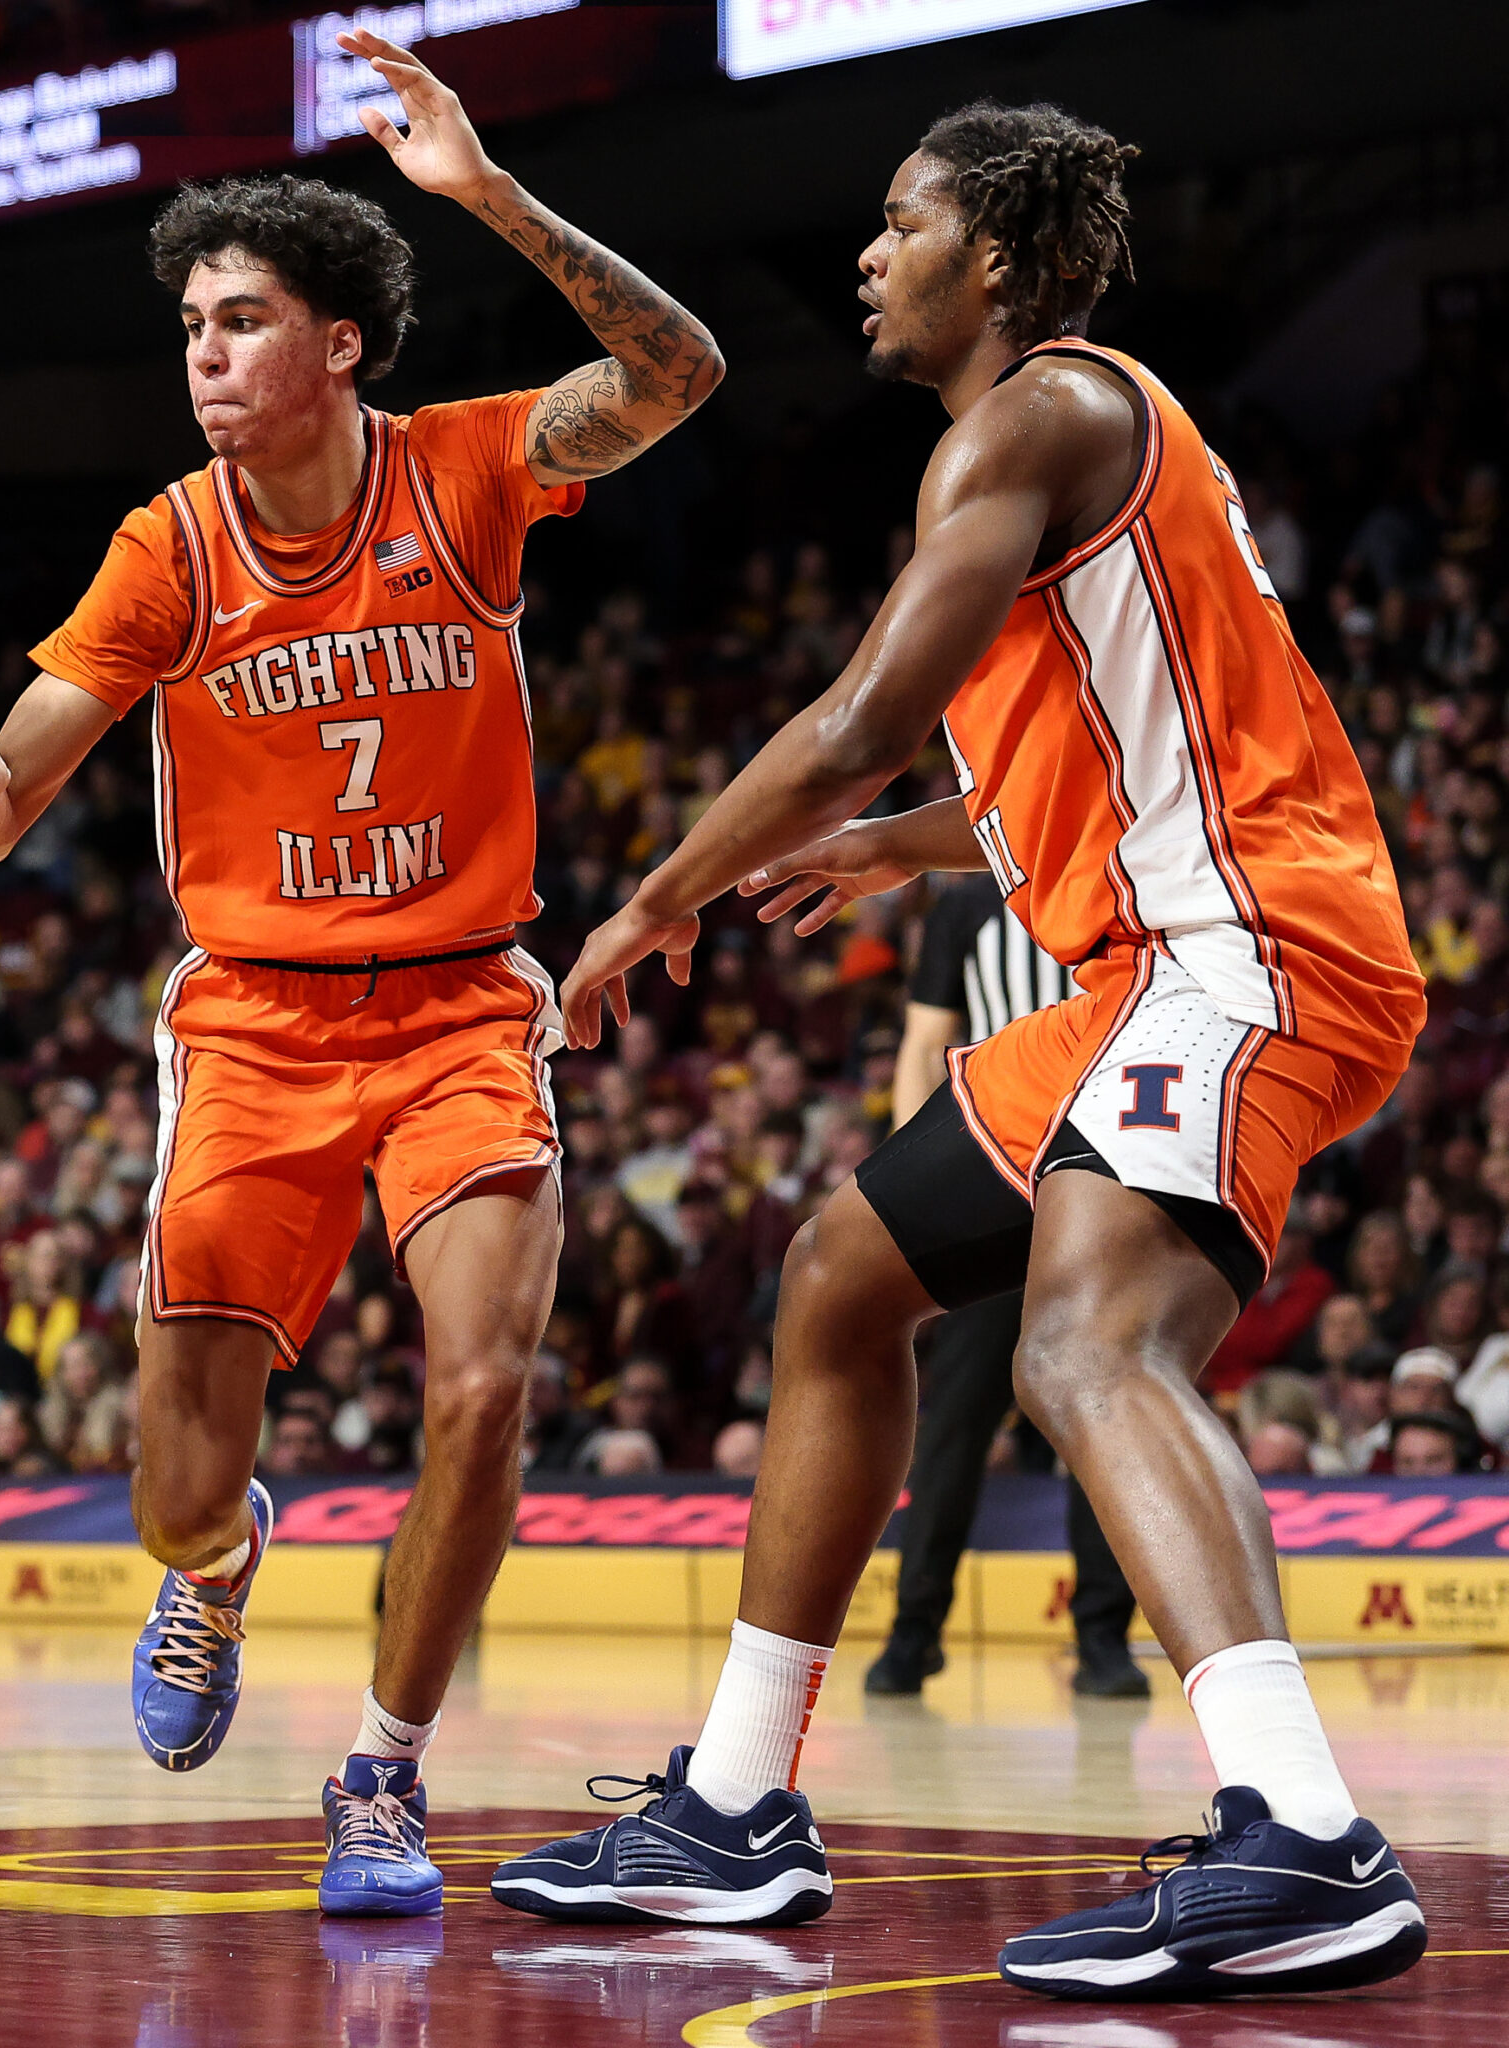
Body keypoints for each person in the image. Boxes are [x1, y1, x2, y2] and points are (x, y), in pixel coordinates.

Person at [493, 102, 1428, 2001]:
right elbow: (1041, 766)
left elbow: (852, 717)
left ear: (991, 259)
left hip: (1244, 950)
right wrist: (889, 845)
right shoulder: (1048, 470)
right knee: (841, 1280)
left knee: (1093, 1340)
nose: (868, 252)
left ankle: (1305, 1832)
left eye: (901, 222)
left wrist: (659, 894)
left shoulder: (1046, 416)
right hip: (1139, 967)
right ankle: (736, 1807)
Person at [0, 31, 719, 1919]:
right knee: (177, 1483)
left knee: (485, 1387)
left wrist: (491, 196)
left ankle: (385, 1776)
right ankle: (216, 1560)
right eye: (189, 325)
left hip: (457, 1004)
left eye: (244, 320)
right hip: (253, 1023)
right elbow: (16, 792)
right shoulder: (165, 542)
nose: (204, 355)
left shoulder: (471, 472)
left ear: (341, 342)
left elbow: (680, 373)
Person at [865, 874, 1146, 1699]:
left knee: (1101, 1410)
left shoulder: (1125, 885)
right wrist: (913, 1178)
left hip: (1105, 1176)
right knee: (954, 1424)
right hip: (996, 1172)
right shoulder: (965, 904)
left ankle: (1102, 1637)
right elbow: (924, 1044)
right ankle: (914, 1631)